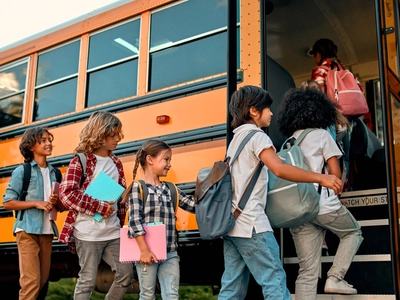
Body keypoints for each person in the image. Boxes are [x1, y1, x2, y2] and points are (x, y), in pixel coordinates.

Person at [217, 85, 342, 300]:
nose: (272, 113)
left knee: (231, 289)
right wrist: (321, 177)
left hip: (232, 226)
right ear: (254, 111)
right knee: (274, 282)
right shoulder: (258, 137)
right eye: (267, 108)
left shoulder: (235, 140)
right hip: (253, 226)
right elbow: (280, 168)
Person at [277, 87, 363, 298]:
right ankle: (335, 277)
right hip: (323, 206)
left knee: (307, 272)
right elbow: (335, 176)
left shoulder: (287, 142)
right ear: (320, 111)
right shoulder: (322, 135)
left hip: (298, 212)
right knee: (353, 233)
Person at [58, 111, 133, 300]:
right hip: (87, 233)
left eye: (118, 134)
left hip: (113, 231)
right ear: (99, 134)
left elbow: (119, 195)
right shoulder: (80, 161)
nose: (117, 139)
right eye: (112, 134)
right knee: (87, 281)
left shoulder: (116, 163)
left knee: (126, 274)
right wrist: (99, 207)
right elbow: (67, 195)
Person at [121, 139, 196, 300]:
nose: (169, 164)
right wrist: (144, 251)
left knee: (171, 294)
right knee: (147, 295)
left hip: (170, 252)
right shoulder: (138, 188)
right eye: (166, 159)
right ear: (150, 160)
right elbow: (134, 221)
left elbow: (193, 205)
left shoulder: (171, 189)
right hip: (147, 252)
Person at [3, 126, 64, 299]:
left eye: (49, 140)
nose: (48, 144)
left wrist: (56, 201)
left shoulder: (56, 174)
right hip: (27, 230)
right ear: (31, 146)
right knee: (31, 281)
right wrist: (36, 203)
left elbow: (62, 206)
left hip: (47, 232)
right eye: (43, 141)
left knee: (42, 280)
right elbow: (7, 202)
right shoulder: (23, 171)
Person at [310, 38, 361, 189]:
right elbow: (360, 91)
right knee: (344, 156)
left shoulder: (320, 71)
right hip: (346, 120)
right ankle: (344, 185)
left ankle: (332, 189)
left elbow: (317, 97)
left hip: (331, 120)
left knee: (330, 156)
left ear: (319, 54)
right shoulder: (345, 72)